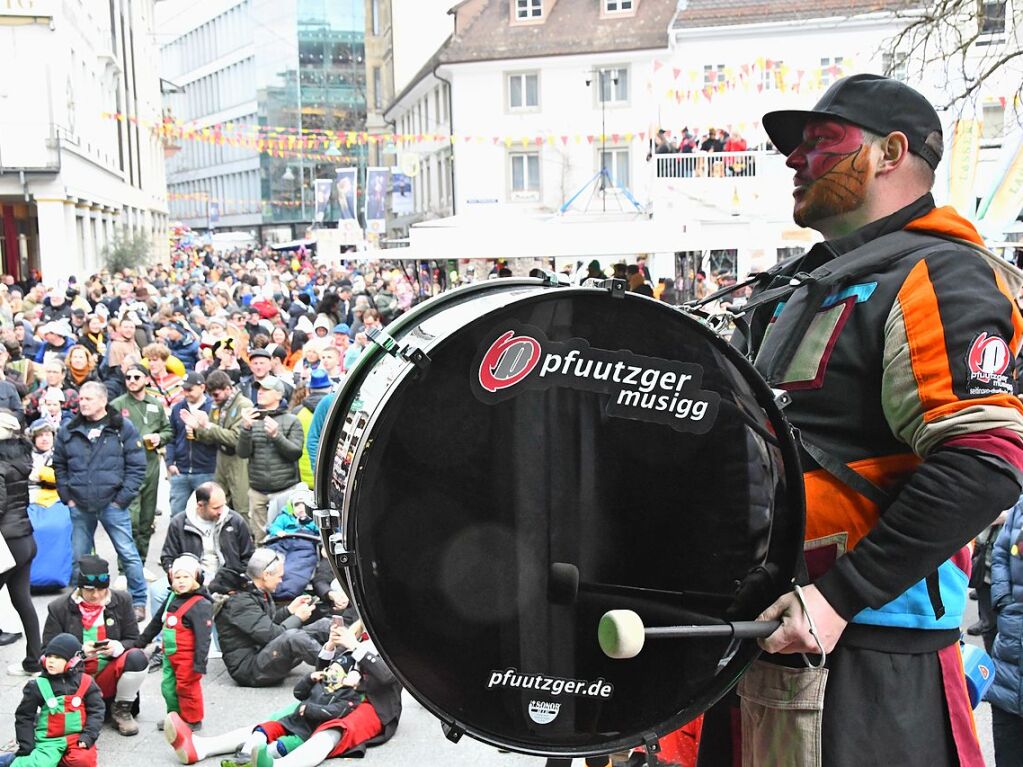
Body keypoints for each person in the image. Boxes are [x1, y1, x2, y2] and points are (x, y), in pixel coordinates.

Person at [697, 74, 1023, 766]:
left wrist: (839, 597)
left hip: (872, 661)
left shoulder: (940, 273)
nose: (794, 159)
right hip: (772, 641)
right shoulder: (796, 288)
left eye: (821, 142)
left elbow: (986, 459)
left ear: (887, 153)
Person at [164, 620, 402, 767]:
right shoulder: (358, 633)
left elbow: (389, 677)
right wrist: (330, 647)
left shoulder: (398, 638)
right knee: (280, 719)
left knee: (332, 732)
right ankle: (202, 747)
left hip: (370, 703)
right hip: (332, 692)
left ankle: (279, 765)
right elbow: (325, 672)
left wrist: (356, 647)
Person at [52, 382, 149, 620]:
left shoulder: (121, 428)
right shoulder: (69, 429)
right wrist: (68, 497)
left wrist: (122, 499)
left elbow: (137, 466)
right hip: (80, 504)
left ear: (103, 401)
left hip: (112, 503)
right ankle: (80, 601)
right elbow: (59, 464)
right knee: (79, 556)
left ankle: (138, 600)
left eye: (88, 399)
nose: (82, 403)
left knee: (127, 553)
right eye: (81, 399)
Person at [42, 555, 149, 736]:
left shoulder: (122, 600)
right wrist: (80, 653)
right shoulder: (59, 607)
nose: (96, 595)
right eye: (90, 590)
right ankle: (81, 707)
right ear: (80, 586)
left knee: (137, 657)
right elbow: (45, 653)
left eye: (102, 589)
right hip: (75, 678)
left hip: (108, 674)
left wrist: (117, 647)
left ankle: (121, 710)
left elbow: (134, 639)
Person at [213, 548, 329, 688]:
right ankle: (334, 669)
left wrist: (289, 610)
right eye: (279, 576)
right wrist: (298, 617)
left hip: (263, 652)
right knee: (294, 637)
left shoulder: (257, 591)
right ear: (266, 575)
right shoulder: (239, 602)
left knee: (323, 625)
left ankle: (350, 657)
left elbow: (268, 623)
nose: (281, 581)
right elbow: (272, 635)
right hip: (250, 670)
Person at [0, 633, 104, 767]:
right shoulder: (37, 685)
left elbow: (97, 711)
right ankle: (10, 761)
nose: (51, 661)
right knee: (38, 763)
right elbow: (24, 716)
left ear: (73, 661)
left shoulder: (86, 682)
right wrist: (27, 746)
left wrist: (88, 736)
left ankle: (56, 760)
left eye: (58, 658)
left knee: (83, 761)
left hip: (77, 738)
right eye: (49, 656)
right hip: (49, 740)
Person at [139, 554, 213, 732]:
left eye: (186, 577)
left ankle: (192, 719)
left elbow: (204, 637)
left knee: (187, 688)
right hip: (170, 654)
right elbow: (157, 621)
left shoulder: (200, 604)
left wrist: (200, 663)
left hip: (188, 658)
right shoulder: (173, 597)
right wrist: (141, 641)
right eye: (177, 577)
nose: (181, 581)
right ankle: (174, 716)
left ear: (196, 577)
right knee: (168, 687)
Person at [111, 363, 172, 563]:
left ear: (146, 379)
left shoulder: (155, 404)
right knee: (131, 518)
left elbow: (168, 430)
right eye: (128, 377)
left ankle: (141, 562)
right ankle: (124, 566)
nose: (132, 381)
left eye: (137, 377)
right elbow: (109, 433)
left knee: (147, 518)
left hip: (152, 462)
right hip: (128, 464)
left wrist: (159, 438)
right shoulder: (118, 405)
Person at [0, 409, 42, 677]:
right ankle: (34, 661)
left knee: (22, 600)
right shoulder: (21, 457)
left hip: (6, 542)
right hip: (24, 538)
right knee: (22, 600)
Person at [237, 376, 304, 532]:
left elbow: (295, 453)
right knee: (259, 539)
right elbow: (242, 453)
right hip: (257, 491)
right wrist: (245, 429)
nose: (260, 392)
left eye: (266, 389)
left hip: (285, 490)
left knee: (287, 534)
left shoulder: (292, 420)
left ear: (279, 395)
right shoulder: (251, 419)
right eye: (259, 389)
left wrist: (276, 436)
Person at [193, 371, 253, 522]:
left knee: (241, 506)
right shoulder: (216, 406)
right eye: (211, 395)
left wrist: (209, 427)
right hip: (221, 459)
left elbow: (236, 438)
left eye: (216, 394)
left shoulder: (243, 405)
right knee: (218, 503)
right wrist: (198, 429)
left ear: (227, 389)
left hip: (239, 460)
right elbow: (211, 437)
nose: (213, 398)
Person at [167, 372, 217, 517]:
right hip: (180, 471)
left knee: (207, 514)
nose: (186, 393)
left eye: (190, 389)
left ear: (202, 387)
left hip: (206, 471)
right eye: (184, 389)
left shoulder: (212, 408)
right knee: (177, 514)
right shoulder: (178, 408)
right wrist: (170, 462)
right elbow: (171, 437)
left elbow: (217, 437)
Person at [291, 369, 332, 489]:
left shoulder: (297, 412)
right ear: (330, 388)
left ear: (309, 390)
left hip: (302, 476)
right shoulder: (335, 410)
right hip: (327, 476)